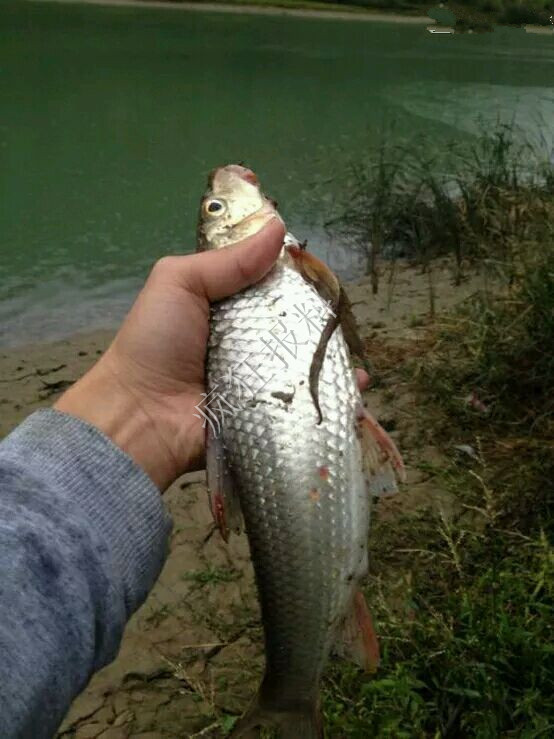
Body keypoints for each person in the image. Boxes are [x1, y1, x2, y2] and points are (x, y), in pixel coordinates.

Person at [0, 218, 368, 738]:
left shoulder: (281, 268)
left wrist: (137, 405)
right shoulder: (274, 262)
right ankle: (290, 699)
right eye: (217, 208)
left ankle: (292, 691)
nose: (224, 204)